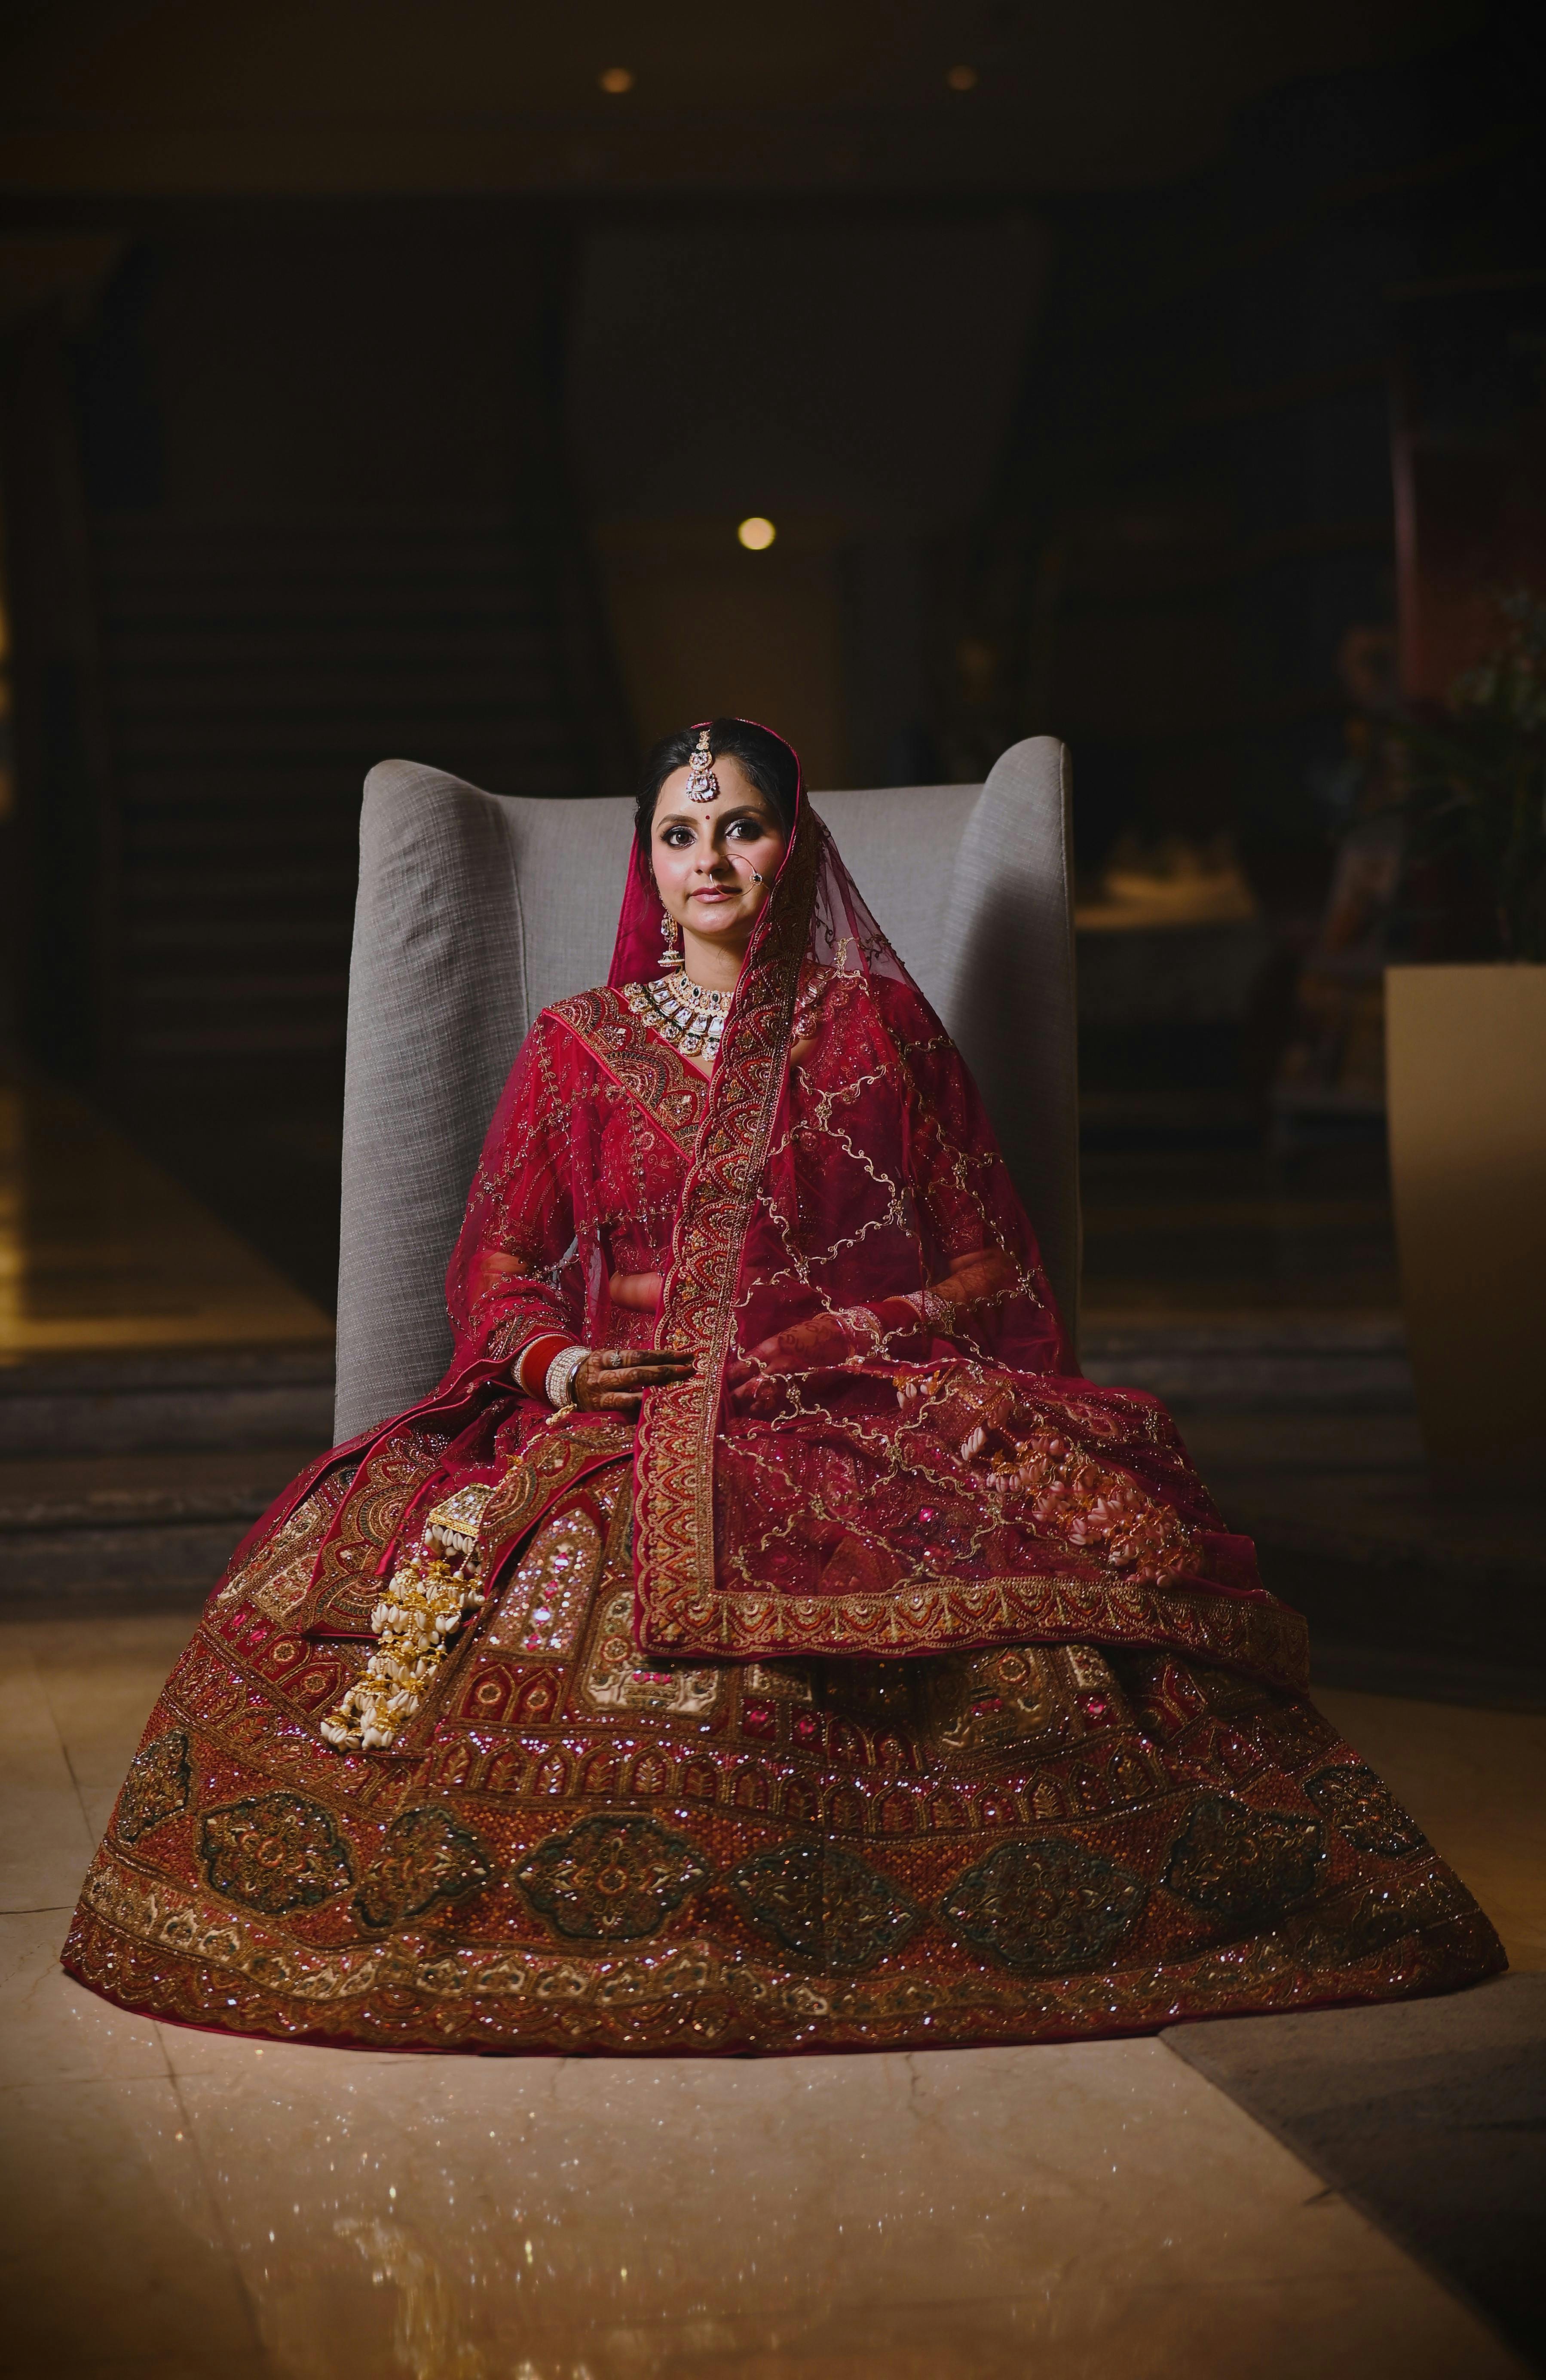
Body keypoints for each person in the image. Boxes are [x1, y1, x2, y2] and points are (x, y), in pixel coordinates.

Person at [64, 719, 1503, 2052]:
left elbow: (984, 1272)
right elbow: (496, 1267)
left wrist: (816, 1343)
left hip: (854, 1402)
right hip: (622, 1411)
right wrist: (563, 1361)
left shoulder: (880, 1029)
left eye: (742, 826)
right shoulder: (576, 1043)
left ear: (792, 845)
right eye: (681, 833)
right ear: (647, 860)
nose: (711, 859)